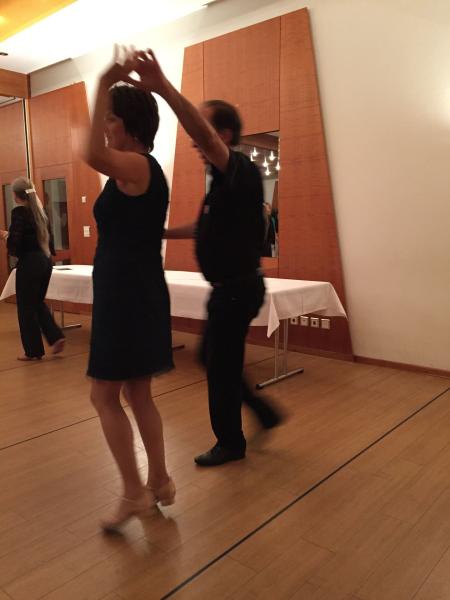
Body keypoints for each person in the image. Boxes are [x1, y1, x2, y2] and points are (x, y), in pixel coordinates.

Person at [132, 49, 282, 467]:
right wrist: (160, 232)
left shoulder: (241, 171)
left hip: (236, 289)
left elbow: (204, 135)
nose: (193, 139)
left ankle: (231, 444)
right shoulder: (220, 185)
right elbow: (203, 228)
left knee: (219, 366)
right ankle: (264, 413)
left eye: (203, 129)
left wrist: (163, 88)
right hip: (230, 290)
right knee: (214, 359)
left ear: (224, 135)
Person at [83, 47, 175, 531]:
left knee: (104, 396)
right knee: (139, 393)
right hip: (138, 291)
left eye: (112, 120)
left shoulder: (137, 166)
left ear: (132, 127)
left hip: (126, 295)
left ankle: (134, 493)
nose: (105, 128)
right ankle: (159, 480)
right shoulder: (140, 171)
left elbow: (91, 153)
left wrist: (103, 81)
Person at [0, 178, 65, 361]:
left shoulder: (19, 212)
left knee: (26, 308)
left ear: (15, 195)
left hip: (30, 264)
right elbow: (40, 239)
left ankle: (33, 351)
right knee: (36, 303)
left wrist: (5, 237)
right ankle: (55, 336)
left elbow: (15, 244)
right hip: (45, 261)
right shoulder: (40, 211)